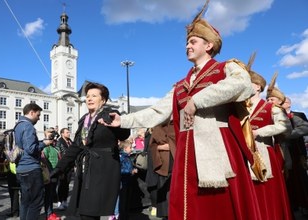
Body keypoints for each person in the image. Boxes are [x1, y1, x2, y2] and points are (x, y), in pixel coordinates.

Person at [99, 1, 262, 219]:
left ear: (209, 45)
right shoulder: (180, 84)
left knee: (218, 206)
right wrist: (124, 121)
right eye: (187, 43)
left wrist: (198, 99)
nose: (188, 46)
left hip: (217, 147)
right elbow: (158, 111)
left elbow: (242, 85)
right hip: (186, 150)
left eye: (193, 41)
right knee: (188, 205)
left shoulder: (225, 68)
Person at [51, 82, 131, 220]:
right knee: (83, 211)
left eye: (94, 96)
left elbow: (124, 135)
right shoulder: (84, 120)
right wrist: (59, 168)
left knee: (90, 211)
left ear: (103, 100)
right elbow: (76, 146)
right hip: (86, 170)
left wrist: (120, 124)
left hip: (103, 169)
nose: (89, 98)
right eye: (87, 96)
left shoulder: (110, 115)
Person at [246, 60, 293, 219]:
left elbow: (285, 126)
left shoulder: (270, 108)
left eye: (248, 82)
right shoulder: (239, 108)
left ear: (258, 86)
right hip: (243, 155)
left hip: (264, 154)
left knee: (267, 193)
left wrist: (260, 131)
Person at [14, 103, 54, 220]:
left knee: (25, 201)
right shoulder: (28, 126)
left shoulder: (18, 125)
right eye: (38, 115)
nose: (39, 118)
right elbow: (31, 148)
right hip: (31, 168)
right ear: (31, 112)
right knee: (36, 202)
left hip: (21, 167)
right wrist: (44, 143)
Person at [147, 119, 175, 219]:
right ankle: (165, 216)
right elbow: (152, 145)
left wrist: (171, 146)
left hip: (175, 164)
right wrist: (161, 147)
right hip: (163, 166)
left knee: (174, 193)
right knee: (164, 194)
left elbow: (181, 142)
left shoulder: (176, 126)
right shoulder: (157, 128)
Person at [114, 139, 138, 220]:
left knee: (127, 200)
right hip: (123, 182)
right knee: (122, 200)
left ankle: (125, 215)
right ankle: (120, 215)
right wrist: (130, 171)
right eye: (130, 147)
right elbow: (120, 170)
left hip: (128, 181)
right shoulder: (121, 157)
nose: (132, 149)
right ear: (125, 149)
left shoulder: (127, 157)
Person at [42, 128, 61, 218]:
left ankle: (50, 212)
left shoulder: (56, 148)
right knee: (48, 195)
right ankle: (49, 213)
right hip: (50, 174)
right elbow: (44, 159)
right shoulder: (47, 148)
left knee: (51, 193)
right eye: (52, 135)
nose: (54, 138)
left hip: (55, 173)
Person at [55, 127, 73, 210]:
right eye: (67, 132)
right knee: (61, 184)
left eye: (69, 132)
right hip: (62, 166)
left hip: (69, 166)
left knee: (67, 184)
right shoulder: (59, 142)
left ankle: (65, 200)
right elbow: (58, 154)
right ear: (62, 133)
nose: (69, 133)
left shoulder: (70, 141)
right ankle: (60, 201)